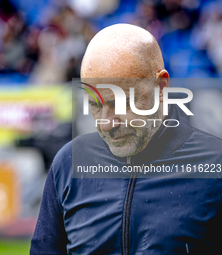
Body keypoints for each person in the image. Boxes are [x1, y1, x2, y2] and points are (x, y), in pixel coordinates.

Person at [30, 24, 222, 254]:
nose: (106, 123)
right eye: (95, 105)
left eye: (121, 103)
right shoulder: (68, 164)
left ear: (161, 87)